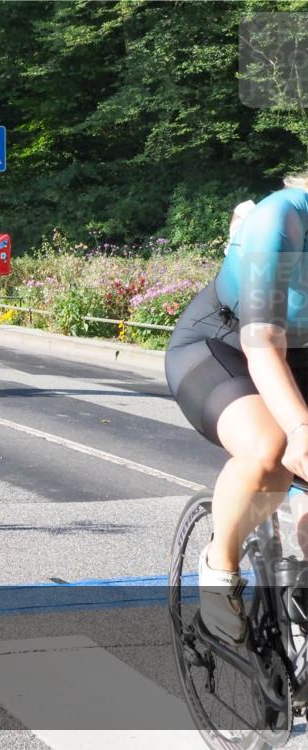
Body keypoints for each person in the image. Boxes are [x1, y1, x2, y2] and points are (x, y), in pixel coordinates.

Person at [166, 172, 308, 644]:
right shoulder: (282, 218)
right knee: (273, 447)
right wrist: (301, 426)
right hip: (224, 345)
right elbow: (263, 340)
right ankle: (219, 566)